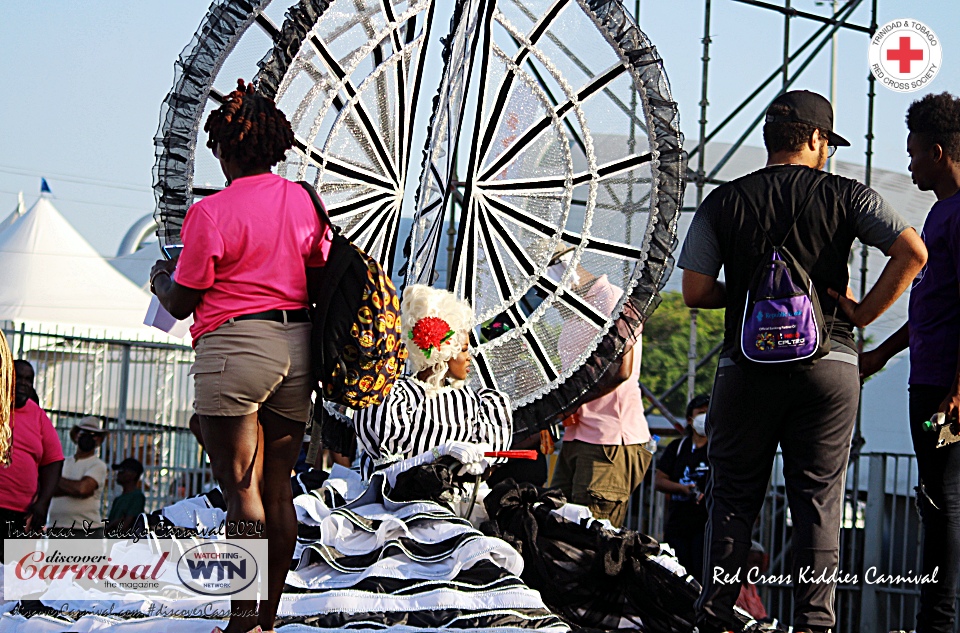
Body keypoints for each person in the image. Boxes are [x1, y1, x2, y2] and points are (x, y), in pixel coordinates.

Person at [679, 89, 927, 633]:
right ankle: (815, 624)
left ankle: (716, 617)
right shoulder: (848, 196)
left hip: (744, 369)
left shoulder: (723, 202)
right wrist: (863, 314)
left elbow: (695, 292)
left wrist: (748, 297)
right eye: (827, 143)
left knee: (733, 500)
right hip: (829, 362)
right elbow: (913, 252)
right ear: (815, 139)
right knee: (817, 503)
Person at [150, 78, 332, 633]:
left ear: (226, 148)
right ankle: (266, 620)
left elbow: (183, 301)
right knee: (278, 489)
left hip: (234, 347)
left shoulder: (210, 214)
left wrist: (161, 283)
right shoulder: (303, 200)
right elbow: (321, 267)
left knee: (241, 491)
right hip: (297, 346)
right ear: (274, 145)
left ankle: (240, 621)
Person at [859, 92, 960, 633]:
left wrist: (957, 391)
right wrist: (878, 354)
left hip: (945, 390)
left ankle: (937, 622)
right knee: (935, 498)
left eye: (915, 152)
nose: (909, 163)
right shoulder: (941, 212)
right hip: (929, 381)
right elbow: (934, 309)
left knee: (943, 500)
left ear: (939, 151)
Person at [352, 284, 512, 482]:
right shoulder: (396, 397)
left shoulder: (474, 402)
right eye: (463, 349)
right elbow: (386, 475)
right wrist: (440, 452)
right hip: (400, 506)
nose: (469, 357)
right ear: (445, 352)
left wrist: (481, 461)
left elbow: (482, 475)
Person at [550, 250, 652, 529]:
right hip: (575, 437)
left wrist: (570, 401)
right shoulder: (573, 310)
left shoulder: (614, 301)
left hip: (608, 442)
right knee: (557, 528)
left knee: (592, 538)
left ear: (565, 270)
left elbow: (622, 370)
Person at [0, 352, 63, 546]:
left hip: (22, 512)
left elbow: (54, 460)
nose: (24, 383)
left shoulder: (37, 415)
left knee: (14, 572)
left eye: (29, 379)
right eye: (18, 377)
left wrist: (43, 503)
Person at [655, 394, 711, 583]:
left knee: (700, 574)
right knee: (676, 574)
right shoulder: (678, 447)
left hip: (706, 525)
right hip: (678, 524)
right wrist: (681, 488)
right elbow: (659, 480)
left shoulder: (718, 449)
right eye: (701, 413)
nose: (706, 417)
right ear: (690, 419)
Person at [49, 416, 109, 535]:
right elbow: (46, 488)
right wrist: (73, 489)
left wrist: (54, 481)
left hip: (85, 530)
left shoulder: (98, 465)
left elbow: (83, 489)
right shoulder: (62, 462)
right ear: (76, 436)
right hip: (57, 528)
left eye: (93, 434)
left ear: (98, 440)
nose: (88, 437)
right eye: (83, 432)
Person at [107, 457, 146, 532]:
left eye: (122, 471)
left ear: (133, 475)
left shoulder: (137, 497)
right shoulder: (118, 499)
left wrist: (112, 525)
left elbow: (125, 525)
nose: (118, 474)